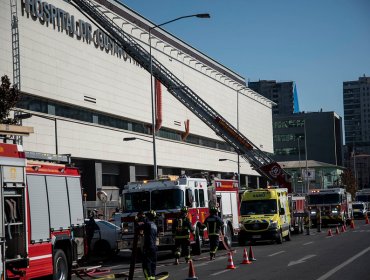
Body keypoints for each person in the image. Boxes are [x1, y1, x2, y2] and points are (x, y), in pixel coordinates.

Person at [140, 210, 157, 280]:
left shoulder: (148, 224)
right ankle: (152, 277)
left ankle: (148, 278)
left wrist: (138, 221)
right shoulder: (154, 225)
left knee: (146, 264)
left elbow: (138, 228)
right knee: (153, 263)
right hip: (154, 247)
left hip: (148, 246)